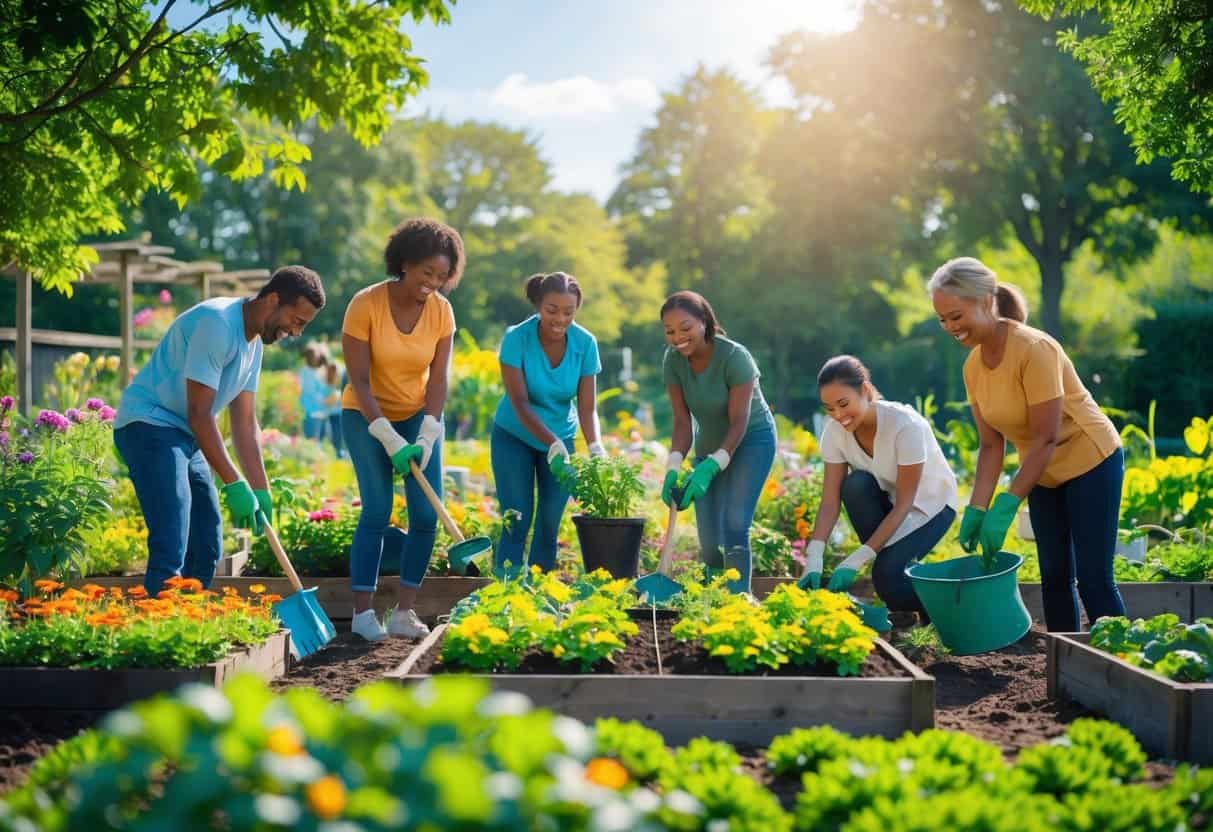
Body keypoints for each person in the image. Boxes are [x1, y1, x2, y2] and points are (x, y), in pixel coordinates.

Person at [929, 256, 1125, 632]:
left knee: (1094, 580)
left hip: (1090, 459)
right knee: (1054, 578)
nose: (951, 327)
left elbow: (1046, 436)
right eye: (943, 320)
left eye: (956, 316)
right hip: (1042, 471)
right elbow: (991, 445)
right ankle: (1064, 661)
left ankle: (1124, 660)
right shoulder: (972, 367)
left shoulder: (1034, 349)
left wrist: (1007, 505)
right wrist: (977, 509)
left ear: (986, 301)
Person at [114, 266, 325, 595]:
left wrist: (261, 490)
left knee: (207, 543)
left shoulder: (254, 345)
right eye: (296, 321)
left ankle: (190, 618)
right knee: (172, 537)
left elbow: (245, 423)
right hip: (149, 424)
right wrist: (234, 483)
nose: (296, 332)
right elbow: (200, 414)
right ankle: (158, 620)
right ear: (273, 300)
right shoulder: (218, 324)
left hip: (185, 434)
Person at [341, 218, 464, 642]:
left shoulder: (442, 311)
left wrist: (426, 433)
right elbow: (359, 380)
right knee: (377, 510)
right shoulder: (366, 304)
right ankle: (362, 614)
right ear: (405, 263)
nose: (432, 283)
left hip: (417, 415)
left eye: (442, 276)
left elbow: (439, 378)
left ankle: (403, 613)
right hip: (365, 413)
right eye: (426, 272)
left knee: (426, 516)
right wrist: (390, 439)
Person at [799, 356, 958, 621]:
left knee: (886, 578)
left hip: (931, 507)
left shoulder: (904, 426)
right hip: (893, 506)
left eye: (843, 404)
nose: (838, 415)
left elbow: (906, 504)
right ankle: (900, 575)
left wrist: (858, 558)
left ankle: (957, 606)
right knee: (855, 485)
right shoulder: (835, 432)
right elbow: (830, 501)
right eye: (829, 408)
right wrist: (814, 557)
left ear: (864, 390)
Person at [660, 291, 776, 593]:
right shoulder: (673, 361)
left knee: (735, 525)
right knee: (710, 541)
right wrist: (673, 467)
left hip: (751, 440)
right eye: (670, 331)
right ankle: (714, 602)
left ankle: (739, 601)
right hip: (710, 443)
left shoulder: (735, 357)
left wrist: (713, 466)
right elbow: (682, 422)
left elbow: (739, 422)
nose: (678, 337)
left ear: (704, 322)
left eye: (685, 328)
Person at [491, 272, 604, 574]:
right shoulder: (517, 338)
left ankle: (540, 592)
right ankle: (506, 590)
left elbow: (587, 407)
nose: (560, 319)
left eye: (569, 312)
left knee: (549, 522)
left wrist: (595, 447)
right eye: (552, 310)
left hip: (561, 439)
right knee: (516, 518)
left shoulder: (585, 343)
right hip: (514, 435)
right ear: (539, 305)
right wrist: (550, 441)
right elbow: (519, 401)